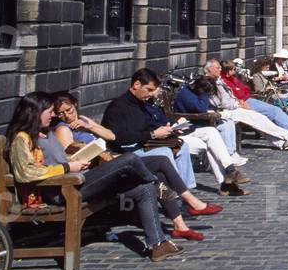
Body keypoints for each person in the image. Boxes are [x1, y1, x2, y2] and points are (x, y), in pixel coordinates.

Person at [8, 92, 183, 262]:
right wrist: (68, 167)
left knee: (144, 189)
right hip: (63, 190)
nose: (53, 115)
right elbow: (26, 173)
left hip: (77, 180)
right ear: (36, 112)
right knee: (129, 159)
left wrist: (76, 160)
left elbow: (57, 160)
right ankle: (157, 184)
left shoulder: (46, 133)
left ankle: (158, 245)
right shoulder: (22, 139)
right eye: (50, 111)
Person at [51, 93, 217, 241]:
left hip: (109, 162)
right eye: (61, 113)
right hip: (97, 172)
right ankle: (191, 203)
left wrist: (90, 126)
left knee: (159, 172)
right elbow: (72, 157)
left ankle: (180, 225)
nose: (67, 116)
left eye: (70, 110)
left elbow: (111, 136)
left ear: (75, 105)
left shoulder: (84, 121)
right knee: (160, 164)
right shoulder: (63, 129)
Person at [103, 68, 250, 197]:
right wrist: (156, 132)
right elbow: (128, 134)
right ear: (136, 85)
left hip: (167, 133)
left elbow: (158, 118)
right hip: (153, 140)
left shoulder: (144, 102)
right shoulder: (121, 106)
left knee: (211, 132)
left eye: (154, 90)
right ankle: (190, 193)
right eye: (150, 90)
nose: (153, 94)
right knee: (202, 145)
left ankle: (228, 174)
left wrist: (173, 124)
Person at [181, 61, 288, 151]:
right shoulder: (207, 82)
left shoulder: (217, 80)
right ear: (209, 70)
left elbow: (234, 94)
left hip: (232, 107)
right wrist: (237, 103)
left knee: (259, 119)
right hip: (225, 111)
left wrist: (237, 101)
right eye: (217, 68)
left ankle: (282, 143)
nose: (220, 70)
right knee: (257, 118)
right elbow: (220, 102)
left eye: (219, 68)